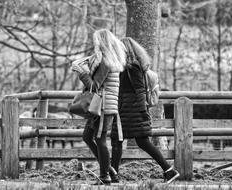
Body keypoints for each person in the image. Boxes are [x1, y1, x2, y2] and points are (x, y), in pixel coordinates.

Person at [110, 37, 180, 184]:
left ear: (125, 50)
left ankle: (169, 171)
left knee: (139, 142)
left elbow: (140, 90)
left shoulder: (132, 67)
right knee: (119, 142)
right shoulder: (124, 66)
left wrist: (142, 111)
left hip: (132, 112)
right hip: (125, 111)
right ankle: (113, 175)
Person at [71, 29, 126, 185]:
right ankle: (110, 171)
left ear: (101, 42)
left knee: (99, 139)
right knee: (87, 137)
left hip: (103, 106)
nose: (94, 44)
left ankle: (104, 176)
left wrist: (82, 73)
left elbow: (94, 86)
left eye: (96, 41)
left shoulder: (105, 62)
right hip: (103, 105)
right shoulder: (112, 60)